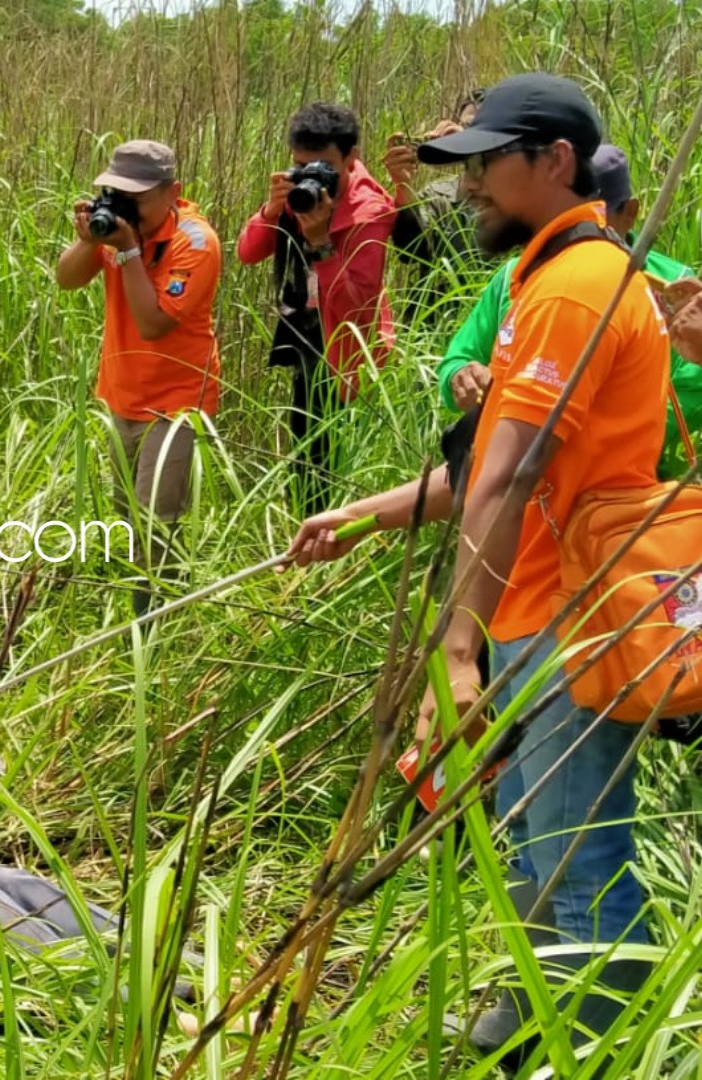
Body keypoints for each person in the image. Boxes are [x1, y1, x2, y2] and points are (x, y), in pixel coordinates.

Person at [287, 73, 669, 1068]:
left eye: (487, 166)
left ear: (552, 162)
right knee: (535, 842)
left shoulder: (578, 287)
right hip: (534, 603)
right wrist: (369, 517)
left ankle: (588, 1048)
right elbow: (485, 464)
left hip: (568, 618)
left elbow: (516, 470)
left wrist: (455, 646)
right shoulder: (537, 279)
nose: (466, 190)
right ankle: (536, 1013)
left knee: (577, 858)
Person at [436, 143, 702, 481]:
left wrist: (545, 420)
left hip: (627, 499)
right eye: (567, 218)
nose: (581, 232)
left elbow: (687, 402)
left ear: (630, 213)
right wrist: (461, 376)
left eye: (596, 218)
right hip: (518, 482)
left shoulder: (674, 290)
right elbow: (456, 361)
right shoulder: (512, 280)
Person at [55, 139, 222, 613]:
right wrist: (91, 241)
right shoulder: (118, 230)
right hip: (121, 397)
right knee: (127, 518)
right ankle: (135, 617)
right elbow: (66, 279)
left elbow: (153, 324)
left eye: (138, 196)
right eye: (116, 192)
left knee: (158, 524)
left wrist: (127, 251)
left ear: (174, 191)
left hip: (177, 404)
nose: (126, 205)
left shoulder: (195, 242)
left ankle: (155, 630)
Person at [237, 103, 396, 517]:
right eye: (299, 165)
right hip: (308, 333)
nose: (311, 177)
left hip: (352, 351)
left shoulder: (370, 210)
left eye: (323, 166)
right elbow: (248, 252)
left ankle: (338, 551)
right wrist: (273, 209)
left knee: (341, 462)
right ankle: (305, 537)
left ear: (351, 158)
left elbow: (355, 308)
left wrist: (323, 242)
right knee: (306, 454)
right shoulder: (299, 194)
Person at [383, 88, 491, 306]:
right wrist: (403, 184)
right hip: (439, 326)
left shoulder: (519, 195)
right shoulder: (440, 194)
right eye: (466, 127)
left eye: (476, 128)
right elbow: (411, 249)